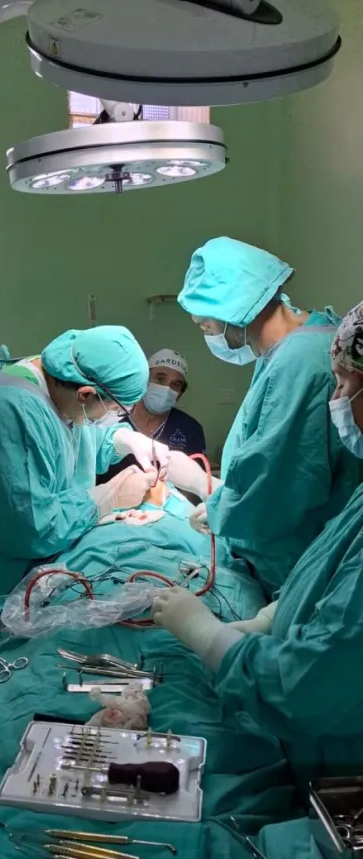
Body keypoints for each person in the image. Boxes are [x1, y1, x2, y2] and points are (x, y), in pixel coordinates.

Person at [152, 300, 363, 793]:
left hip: (340, 772)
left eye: (347, 383)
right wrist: (273, 616)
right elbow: (326, 567)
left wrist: (207, 634)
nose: (337, 397)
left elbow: (310, 687)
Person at [0, 325, 169, 729]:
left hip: (22, 571)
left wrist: (126, 441)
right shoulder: (9, 408)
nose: (113, 420)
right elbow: (28, 527)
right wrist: (106, 498)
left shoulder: (61, 380)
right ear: (86, 394)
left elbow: (84, 438)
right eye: (118, 412)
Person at [178, 236, 359, 597]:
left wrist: (214, 501)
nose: (207, 336)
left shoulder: (299, 366)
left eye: (205, 326)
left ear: (234, 312)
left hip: (294, 570)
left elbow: (279, 488)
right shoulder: (308, 340)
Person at [97, 348, 206, 484]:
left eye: (175, 384)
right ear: (144, 380)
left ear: (180, 393)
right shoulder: (111, 418)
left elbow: (194, 482)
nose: (167, 388)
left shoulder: (190, 429)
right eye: (160, 379)